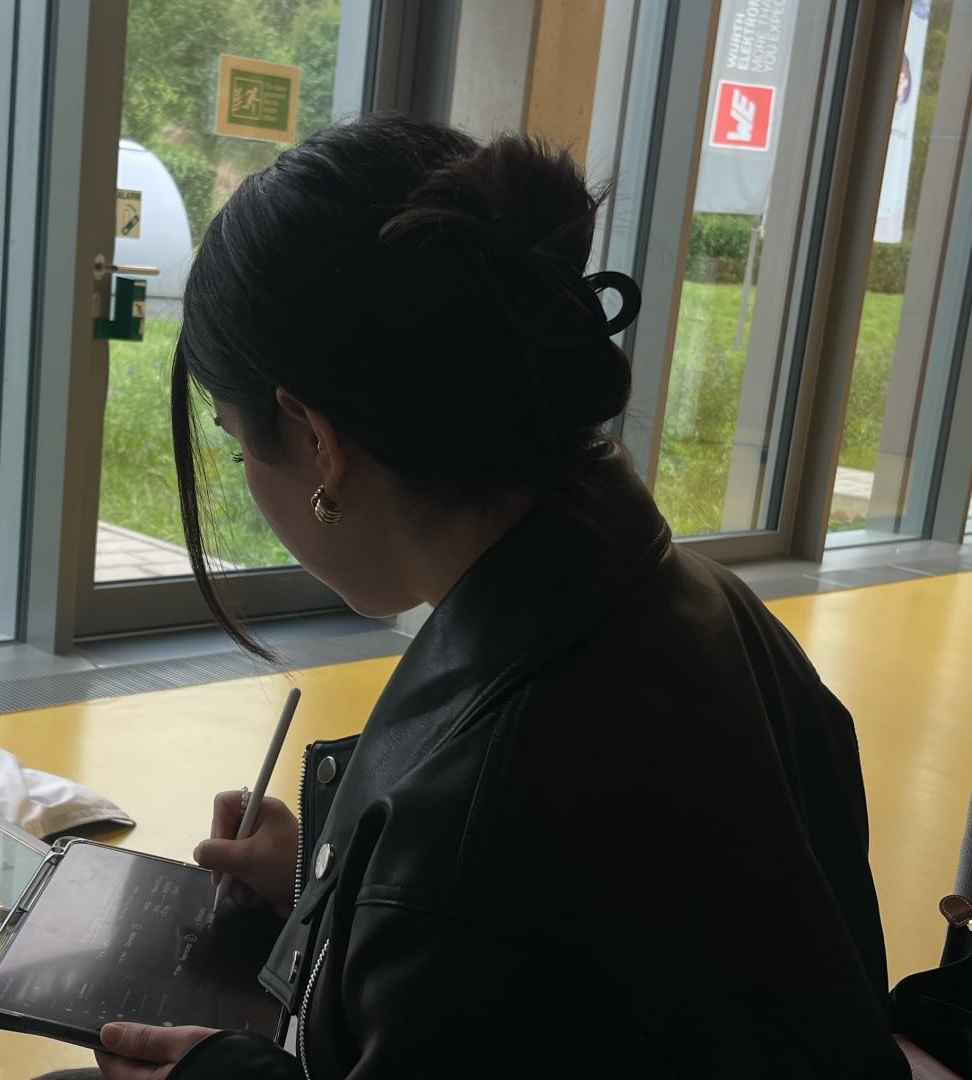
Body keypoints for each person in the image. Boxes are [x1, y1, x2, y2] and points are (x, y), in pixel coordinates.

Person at [93, 115, 911, 1078]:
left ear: (317, 440)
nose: (246, 477)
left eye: (239, 449)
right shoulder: (710, 609)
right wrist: (336, 890)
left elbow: (502, 926)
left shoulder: (464, 845)